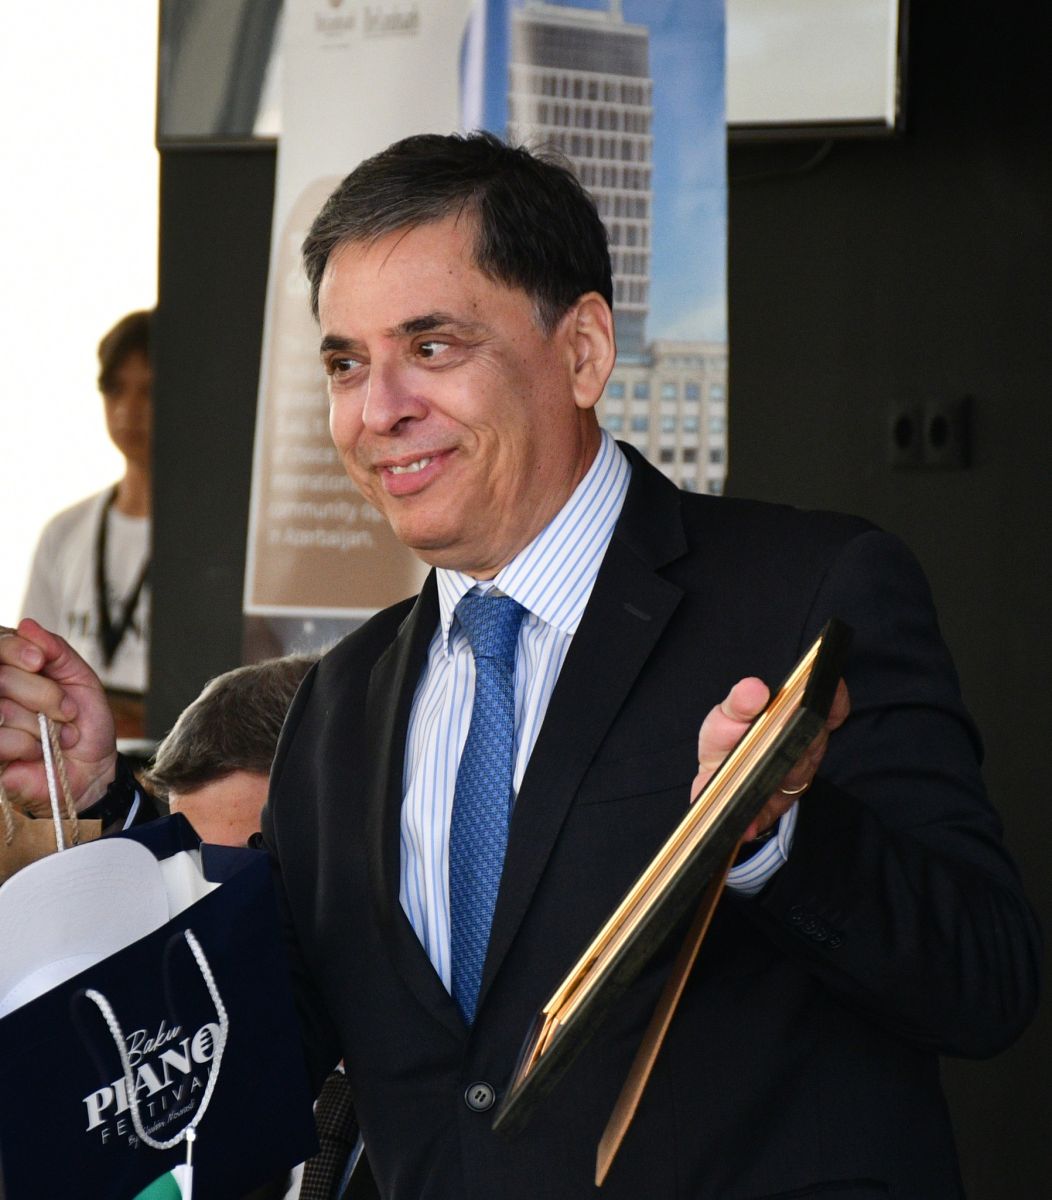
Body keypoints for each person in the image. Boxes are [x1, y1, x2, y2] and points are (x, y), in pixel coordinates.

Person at [0, 133, 1039, 1199]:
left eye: (432, 346)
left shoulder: (804, 596)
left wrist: (776, 839)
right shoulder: (339, 703)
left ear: (582, 351)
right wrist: (104, 810)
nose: (378, 409)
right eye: (346, 363)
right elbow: (247, 1053)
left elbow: (984, 982)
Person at [20, 310, 153, 738]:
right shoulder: (63, 532)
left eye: (149, 391)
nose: (129, 410)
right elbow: (31, 661)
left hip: (179, 754)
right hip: (72, 746)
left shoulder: (212, 539)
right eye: (115, 390)